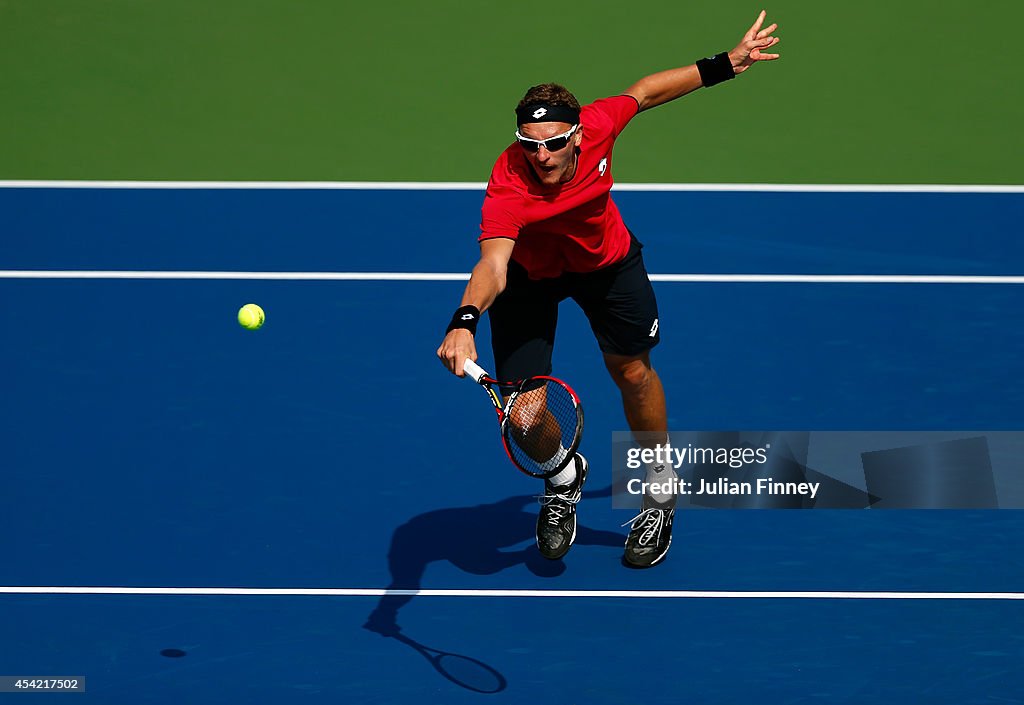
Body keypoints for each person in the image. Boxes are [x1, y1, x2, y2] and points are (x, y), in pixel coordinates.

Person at [437, 11, 781, 568]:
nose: (540, 155)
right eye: (529, 143)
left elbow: (643, 93)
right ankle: (563, 476)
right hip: (529, 279)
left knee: (632, 372)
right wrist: (464, 319)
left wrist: (727, 64)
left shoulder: (599, 125)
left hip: (608, 266)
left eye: (552, 143)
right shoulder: (508, 182)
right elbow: (494, 265)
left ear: (576, 134)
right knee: (523, 419)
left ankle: (659, 489)